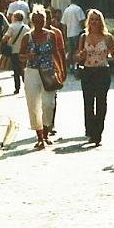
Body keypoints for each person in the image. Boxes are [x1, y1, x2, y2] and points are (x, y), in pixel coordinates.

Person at [76, 9, 114, 146]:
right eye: (92, 19)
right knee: (88, 103)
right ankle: (90, 130)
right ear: (88, 21)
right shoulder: (83, 37)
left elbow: (113, 53)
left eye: (97, 19)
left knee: (101, 102)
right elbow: (78, 55)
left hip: (102, 71)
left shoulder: (107, 37)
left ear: (101, 21)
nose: (94, 22)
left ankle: (98, 132)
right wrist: (80, 56)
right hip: (88, 71)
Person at [18, 8, 65, 149]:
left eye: (41, 20)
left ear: (45, 21)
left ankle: (46, 132)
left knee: (48, 103)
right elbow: (20, 56)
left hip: (48, 71)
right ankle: (40, 137)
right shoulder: (27, 37)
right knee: (33, 105)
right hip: (32, 72)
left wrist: (60, 70)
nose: (39, 23)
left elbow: (56, 53)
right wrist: (28, 56)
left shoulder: (51, 35)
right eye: (36, 20)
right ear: (32, 21)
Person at [44, 8, 67, 136]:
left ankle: (50, 123)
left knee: (52, 97)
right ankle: (43, 124)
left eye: (47, 18)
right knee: (40, 99)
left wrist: (63, 69)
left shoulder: (56, 33)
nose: (46, 21)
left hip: (53, 69)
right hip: (38, 69)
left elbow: (61, 51)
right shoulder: (32, 33)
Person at [2, 11, 29, 94]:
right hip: (24, 52)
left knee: (16, 70)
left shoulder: (12, 26)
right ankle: (27, 86)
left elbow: (6, 38)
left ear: (15, 17)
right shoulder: (27, 27)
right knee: (24, 69)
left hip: (14, 51)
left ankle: (17, 88)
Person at [61, 0, 86, 66]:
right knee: (78, 50)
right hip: (78, 33)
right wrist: (84, 29)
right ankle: (77, 65)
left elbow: (64, 24)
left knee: (70, 51)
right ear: (76, 2)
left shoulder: (66, 10)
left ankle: (71, 66)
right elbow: (81, 21)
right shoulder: (78, 9)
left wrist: (65, 35)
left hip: (69, 34)